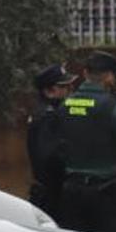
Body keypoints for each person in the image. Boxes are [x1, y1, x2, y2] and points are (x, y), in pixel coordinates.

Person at [56, 51, 116, 232]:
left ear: (85, 73)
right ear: (108, 76)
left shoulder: (66, 104)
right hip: (108, 195)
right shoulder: (114, 106)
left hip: (73, 193)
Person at [26, 63, 78, 222]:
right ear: (49, 91)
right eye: (64, 87)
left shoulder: (52, 113)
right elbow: (49, 158)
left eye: (70, 86)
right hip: (54, 196)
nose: (70, 91)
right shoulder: (47, 117)